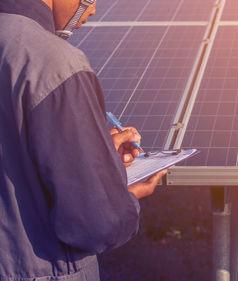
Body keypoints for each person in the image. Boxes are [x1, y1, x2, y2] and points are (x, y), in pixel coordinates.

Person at [0, 0, 166, 280]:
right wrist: (124, 196)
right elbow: (96, 222)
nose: (92, 8)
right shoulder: (54, 64)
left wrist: (94, 156)